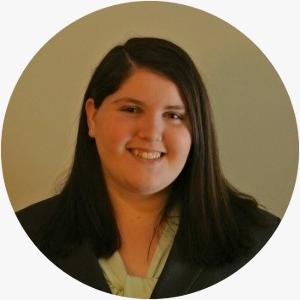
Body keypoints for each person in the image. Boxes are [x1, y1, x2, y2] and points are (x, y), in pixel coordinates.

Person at [16, 37, 280, 298]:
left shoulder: (267, 243)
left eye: (174, 115)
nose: (152, 133)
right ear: (92, 116)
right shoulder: (21, 238)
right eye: (131, 109)